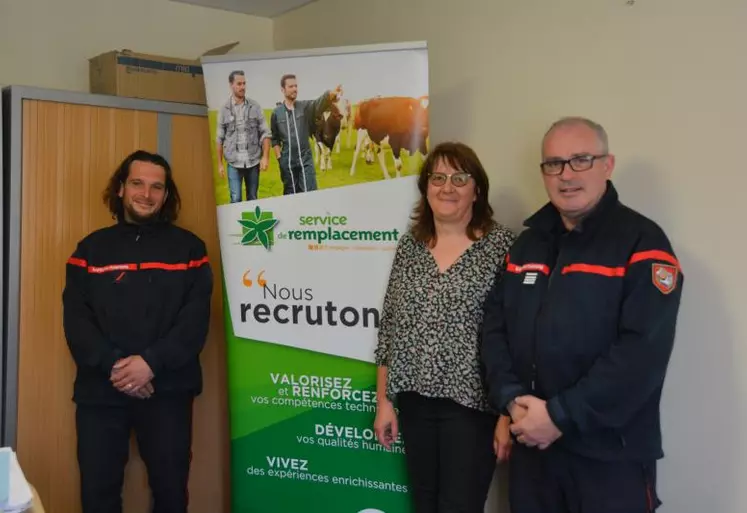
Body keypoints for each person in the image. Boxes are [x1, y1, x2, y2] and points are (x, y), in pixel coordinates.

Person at [481, 117, 684, 513]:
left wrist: (559, 416)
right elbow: (494, 328)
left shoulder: (643, 243)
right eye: (554, 163)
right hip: (532, 452)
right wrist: (510, 401)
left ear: (607, 165)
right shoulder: (526, 245)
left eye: (580, 160)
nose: (566, 175)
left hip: (608, 457)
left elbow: (641, 355)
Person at [62, 150, 213, 513]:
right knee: (97, 496)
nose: (146, 194)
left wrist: (151, 364)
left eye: (157, 187)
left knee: (171, 494)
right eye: (137, 184)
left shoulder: (191, 250)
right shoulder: (90, 250)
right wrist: (117, 367)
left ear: (166, 195)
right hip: (100, 392)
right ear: (120, 189)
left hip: (168, 391)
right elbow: (77, 322)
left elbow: (194, 323)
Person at [373, 142, 516, 513]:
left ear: (477, 189)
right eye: (437, 177)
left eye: (459, 178)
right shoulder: (411, 247)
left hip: (472, 408)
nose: (447, 187)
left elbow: (516, 339)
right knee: (425, 504)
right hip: (414, 402)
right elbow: (389, 328)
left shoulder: (502, 247)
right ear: (426, 187)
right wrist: (384, 403)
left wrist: (506, 415)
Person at [270, 74, 342, 194]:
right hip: (287, 163)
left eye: (296, 86)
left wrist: (330, 94)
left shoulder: (305, 107)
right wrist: (280, 159)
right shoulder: (276, 113)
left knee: (310, 195)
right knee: (290, 197)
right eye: (291, 86)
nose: (294, 89)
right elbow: (275, 138)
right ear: (283, 90)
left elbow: (318, 103)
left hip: (305, 160)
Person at [215, 70, 272, 202]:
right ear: (231, 85)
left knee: (252, 198)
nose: (243, 87)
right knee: (236, 199)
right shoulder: (224, 109)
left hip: (253, 162)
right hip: (233, 163)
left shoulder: (255, 106)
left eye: (244, 83)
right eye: (239, 84)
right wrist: (219, 164)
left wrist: (265, 157)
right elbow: (219, 138)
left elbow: (265, 132)